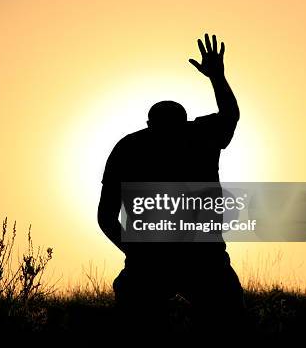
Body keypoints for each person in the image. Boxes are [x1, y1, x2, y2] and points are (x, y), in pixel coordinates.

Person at [97, 34, 245, 336]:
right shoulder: (197, 136)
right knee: (228, 325)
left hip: (173, 258)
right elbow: (230, 115)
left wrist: (134, 250)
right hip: (191, 258)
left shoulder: (131, 146)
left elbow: (106, 217)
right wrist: (217, 77)